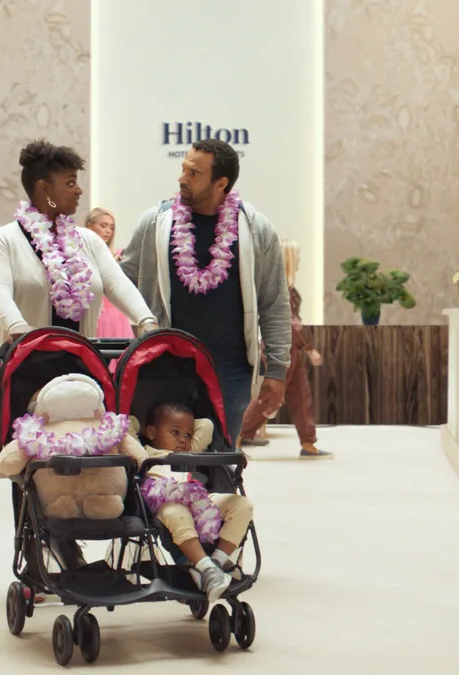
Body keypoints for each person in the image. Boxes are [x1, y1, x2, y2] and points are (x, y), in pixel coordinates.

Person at [119, 138, 292, 443]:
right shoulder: (156, 223)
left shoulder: (256, 230)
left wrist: (277, 371)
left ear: (220, 183)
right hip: (164, 365)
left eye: (194, 173)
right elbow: (121, 280)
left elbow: (274, 304)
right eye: (183, 168)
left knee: (220, 465)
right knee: (155, 462)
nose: (182, 178)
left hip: (231, 371)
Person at [0, 140, 159, 347]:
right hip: (25, 366)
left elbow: (117, 283)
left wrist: (146, 321)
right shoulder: (3, 240)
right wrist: (16, 325)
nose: (79, 190)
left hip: (83, 365)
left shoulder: (89, 241)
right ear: (44, 189)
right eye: (70, 183)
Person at [139, 402, 254, 602]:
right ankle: (205, 567)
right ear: (150, 432)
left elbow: (207, 426)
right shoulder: (144, 451)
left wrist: (183, 431)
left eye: (187, 435)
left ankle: (215, 566)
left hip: (197, 499)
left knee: (242, 505)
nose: (182, 440)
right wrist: (136, 423)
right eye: (174, 432)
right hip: (164, 501)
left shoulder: (188, 450)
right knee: (177, 512)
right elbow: (127, 428)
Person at [238, 239, 331, 459]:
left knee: (301, 396)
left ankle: (308, 442)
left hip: (290, 350)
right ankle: (235, 437)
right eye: (296, 256)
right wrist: (308, 347)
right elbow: (289, 323)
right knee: (268, 397)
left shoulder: (286, 287)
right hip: (282, 349)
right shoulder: (281, 289)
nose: (299, 260)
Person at [83, 208, 135, 339]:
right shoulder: (80, 256)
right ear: (89, 226)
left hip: (118, 316)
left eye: (111, 227)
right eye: (103, 225)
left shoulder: (119, 256)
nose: (108, 231)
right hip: (95, 315)